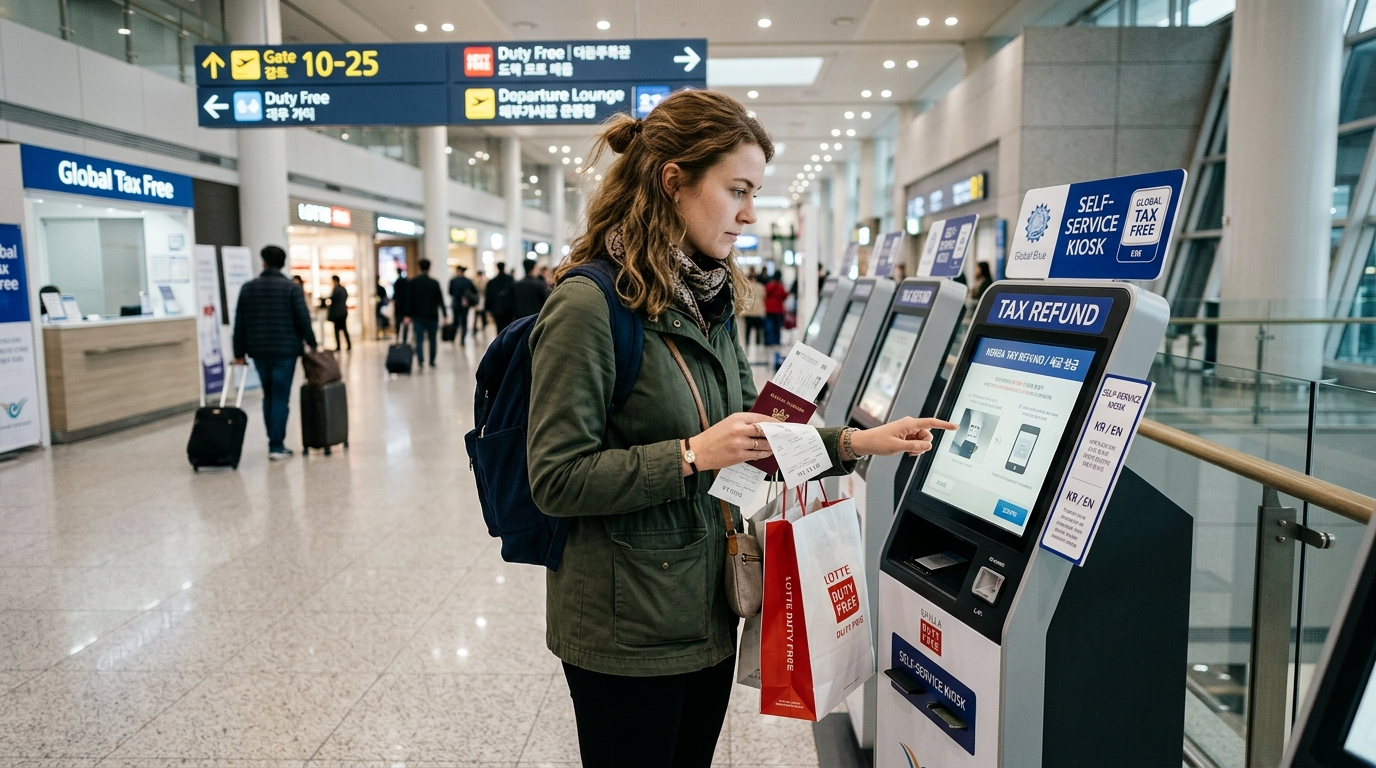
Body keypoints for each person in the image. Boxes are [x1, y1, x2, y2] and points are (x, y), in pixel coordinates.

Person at [525, 89, 955, 768]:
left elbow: (758, 432)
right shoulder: (587, 305)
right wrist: (692, 454)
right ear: (673, 181)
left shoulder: (709, 300)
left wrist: (857, 442)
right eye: (737, 190)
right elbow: (555, 477)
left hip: (710, 605)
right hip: (626, 626)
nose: (750, 213)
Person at [231, 245, 318, 461]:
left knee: (268, 394)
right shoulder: (291, 288)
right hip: (285, 350)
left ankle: (274, 440)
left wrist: (238, 352)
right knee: (280, 396)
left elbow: (239, 323)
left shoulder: (248, 288)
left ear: (264, 262)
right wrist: (313, 343)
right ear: (283, 264)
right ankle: (276, 445)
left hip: (259, 351)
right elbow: (302, 318)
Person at [405, 258, 446, 368]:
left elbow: (410, 300)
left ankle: (420, 360)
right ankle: (432, 360)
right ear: (429, 268)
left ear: (419, 267)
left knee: (419, 339)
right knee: (433, 339)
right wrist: (445, 315)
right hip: (433, 316)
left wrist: (408, 315)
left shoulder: (413, 282)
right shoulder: (434, 283)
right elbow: (440, 300)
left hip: (418, 316)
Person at [448, 265, 478, 345]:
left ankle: (453, 338)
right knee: (464, 321)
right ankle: (462, 339)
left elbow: (450, 292)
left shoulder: (453, 281)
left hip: (456, 303)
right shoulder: (468, 281)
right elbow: (474, 291)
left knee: (455, 321)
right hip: (465, 303)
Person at [485, 262, 515, 332]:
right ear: (504, 267)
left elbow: (488, 296)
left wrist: (488, 309)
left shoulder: (492, 281)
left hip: (496, 308)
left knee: (499, 328)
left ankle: (500, 341)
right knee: (508, 327)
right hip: (509, 308)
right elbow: (513, 295)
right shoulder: (510, 279)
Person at [741, 271, 766, 346]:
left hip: (749, 310)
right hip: (758, 310)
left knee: (748, 329)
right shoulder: (761, 286)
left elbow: (742, 297)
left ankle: (747, 343)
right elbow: (764, 296)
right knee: (758, 330)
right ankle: (758, 345)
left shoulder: (746, 286)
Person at [763, 271, 788, 346]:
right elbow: (784, 296)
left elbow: (764, 295)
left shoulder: (769, 285)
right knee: (777, 327)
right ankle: (776, 341)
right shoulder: (781, 287)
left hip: (768, 309)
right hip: (778, 310)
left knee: (769, 326)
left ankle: (769, 341)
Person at [327, 275, 351, 351]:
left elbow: (332, 298)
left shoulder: (336, 289)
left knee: (337, 330)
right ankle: (348, 345)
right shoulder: (343, 289)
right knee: (344, 329)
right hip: (343, 312)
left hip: (337, 313)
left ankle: (338, 346)